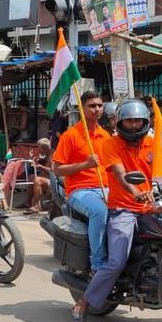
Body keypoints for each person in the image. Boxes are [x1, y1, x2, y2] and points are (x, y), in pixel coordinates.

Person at [70, 98, 155, 322]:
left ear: (145, 122)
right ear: (120, 123)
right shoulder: (111, 144)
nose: (134, 125)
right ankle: (81, 305)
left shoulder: (151, 143)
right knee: (116, 260)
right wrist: (137, 194)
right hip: (124, 208)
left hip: (151, 206)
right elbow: (119, 173)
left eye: (138, 120)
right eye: (129, 121)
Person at [51, 90, 111, 271]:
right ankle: (97, 262)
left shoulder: (106, 136)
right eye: (92, 106)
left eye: (100, 105)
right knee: (99, 211)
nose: (97, 109)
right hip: (80, 191)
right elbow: (57, 169)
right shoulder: (71, 135)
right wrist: (85, 165)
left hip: (106, 188)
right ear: (82, 109)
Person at [26, 138, 53, 214]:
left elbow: (53, 171)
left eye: (39, 148)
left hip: (53, 182)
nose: (39, 150)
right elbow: (43, 160)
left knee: (38, 180)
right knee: (32, 177)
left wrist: (41, 167)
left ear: (45, 147)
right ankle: (28, 202)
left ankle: (36, 206)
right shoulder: (47, 155)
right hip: (46, 179)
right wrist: (37, 160)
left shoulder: (53, 155)